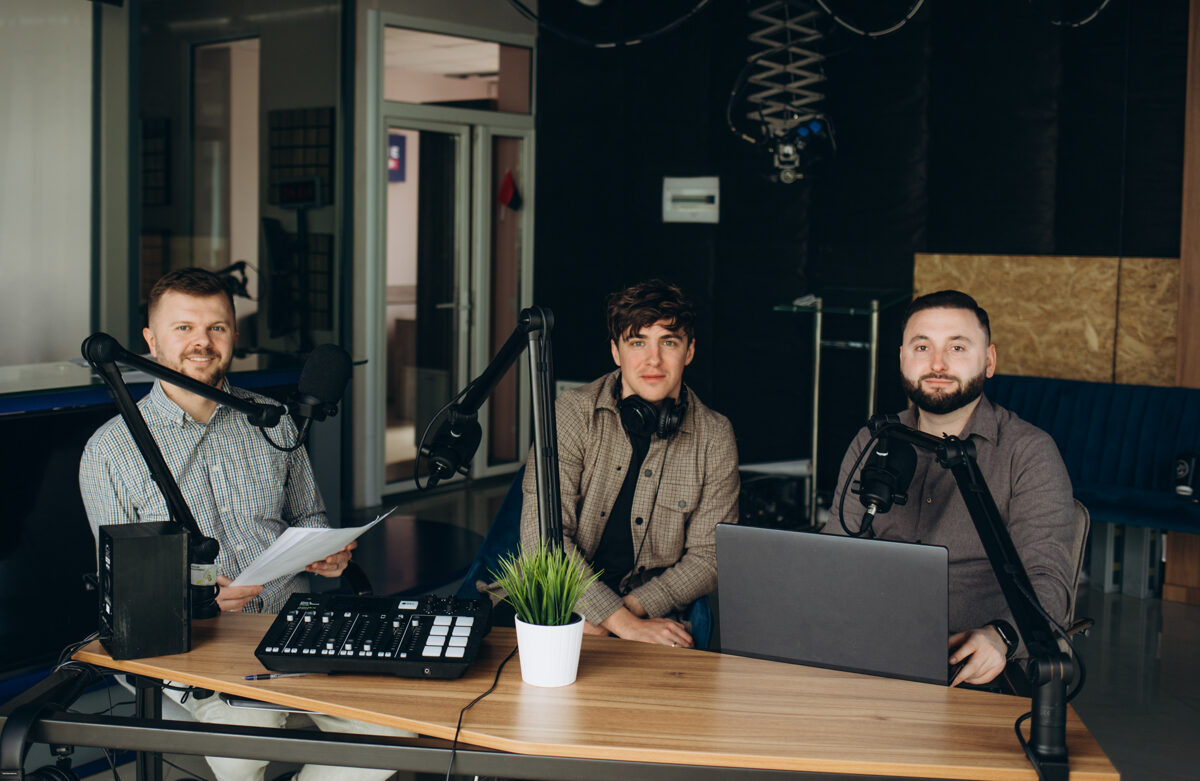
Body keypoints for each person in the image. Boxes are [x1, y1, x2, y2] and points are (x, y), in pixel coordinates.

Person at [79, 267, 407, 781]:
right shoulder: (110, 451)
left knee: (395, 735)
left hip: (287, 623)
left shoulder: (271, 419)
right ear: (150, 340)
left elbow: (308, 516)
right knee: (246, 750)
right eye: (183, 328)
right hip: (189, 642)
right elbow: (123, 586)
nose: (201, 343)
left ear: (235, 333)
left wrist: (328, 552)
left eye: (216, 327)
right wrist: (197, 592)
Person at [829, 290, 1076, 687]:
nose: (938, 363)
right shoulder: (874, 440)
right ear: (902, 358)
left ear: (989, 360)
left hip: (976, 669)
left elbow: (1049, 581)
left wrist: (1003, 637)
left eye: (957, 347)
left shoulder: (1029, 452)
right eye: (922, 346)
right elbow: (835, 553)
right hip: (870, 655)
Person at [499, 279, 740, 648]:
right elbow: (543, 541)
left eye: (669, 342)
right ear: (616, 352)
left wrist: (625, 614)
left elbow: (710, 557)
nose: (653, 360)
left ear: (689, 351)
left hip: (650, 612)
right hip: (554, 601)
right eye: (638, 342)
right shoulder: (571, 414)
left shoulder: (715, 436)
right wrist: (617, 621)